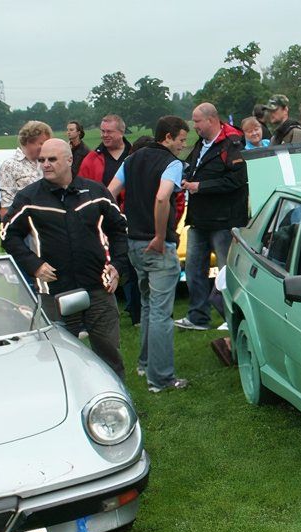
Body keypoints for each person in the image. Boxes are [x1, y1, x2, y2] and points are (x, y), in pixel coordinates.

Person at [1, 138, 127, 375]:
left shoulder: (96, 192)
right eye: (41, 160)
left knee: (109, 354)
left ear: (69, 160)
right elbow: (8, 236)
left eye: (52, 159)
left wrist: (117, 266)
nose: (45, 165)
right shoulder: (29, 198)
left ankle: (116, 405)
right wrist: (34, 265)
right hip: (54, 292)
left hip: (99, 289)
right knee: (59, 358)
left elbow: (119, 229)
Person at [108, 115, 190, 392]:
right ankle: (162, 378)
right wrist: (158, 234)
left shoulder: (131, 160)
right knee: (160, 314)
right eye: (181, 139)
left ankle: (144, 364)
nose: (183, 145)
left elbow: (109, 194)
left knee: (146, 305)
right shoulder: (172, 164)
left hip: (133, 245)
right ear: (167, 137)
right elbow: (162, 196)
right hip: (157, 247)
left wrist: (120, 227)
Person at [176, 103, 246, 334]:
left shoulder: (232, 142)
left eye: (197, 121)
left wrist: (201, 186)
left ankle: (231, 316)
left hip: (224, 219)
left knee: (227, 271)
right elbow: (193, 169)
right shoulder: (201, 144)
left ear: (212, 119)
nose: (193, 126)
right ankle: (198, 316)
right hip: (199, 218)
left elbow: (238, 180)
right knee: (195, 268)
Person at [78, 114, 138, 325]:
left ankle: (136, 313)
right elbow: (82, 190)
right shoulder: (92, 159)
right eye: (102, 131)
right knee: (100, 264)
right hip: (101, 222)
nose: (104, 135)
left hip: (131, 218)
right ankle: (99, 310)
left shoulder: (134, 155)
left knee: (132, 266)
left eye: (109, 131)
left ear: (121, 132)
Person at [0, 120, 52, 218]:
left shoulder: (46, 163)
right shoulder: (10, 165)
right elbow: (6, 205)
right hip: (23, 222)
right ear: (28, 141)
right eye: (41, 143)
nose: (45, 147)